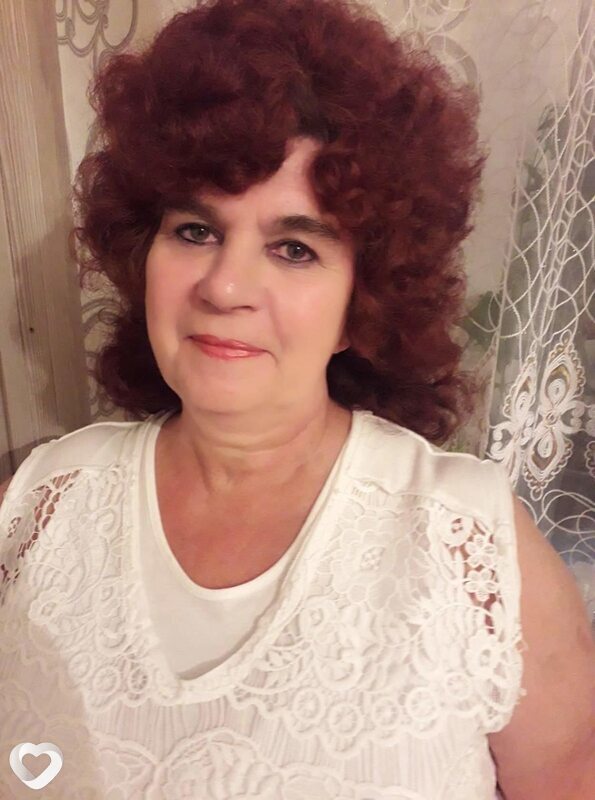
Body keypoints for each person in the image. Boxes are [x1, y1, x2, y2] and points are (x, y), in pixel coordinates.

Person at [0, 0, 593, 797]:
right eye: (195, 231)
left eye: (292, 248)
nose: (225, 287)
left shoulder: (472, 548)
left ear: (364, 298)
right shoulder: (38, 511)